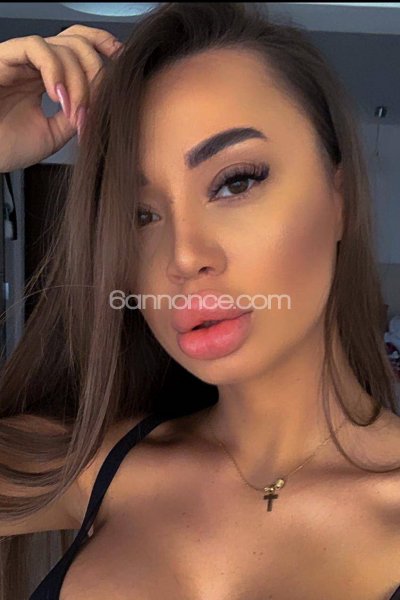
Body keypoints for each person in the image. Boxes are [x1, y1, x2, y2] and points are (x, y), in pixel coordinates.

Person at [0, 2, 399, 599]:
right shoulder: (96, 467)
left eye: (236, 182)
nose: (184, 257)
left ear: (338, 197)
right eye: (141, 215)